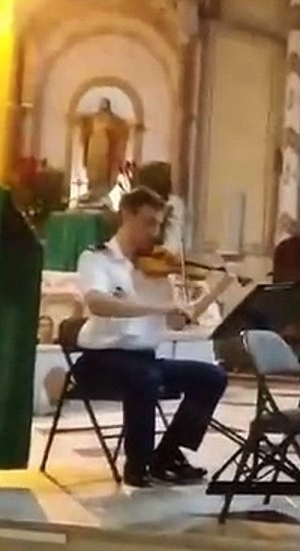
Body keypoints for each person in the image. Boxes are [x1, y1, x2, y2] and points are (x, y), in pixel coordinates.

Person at [74, 187, 231, 488]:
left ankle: (168, 456)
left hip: (144, 359)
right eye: (148, 222)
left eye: (158, 224)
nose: (154, 232)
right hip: (101, 360)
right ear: (127, 215)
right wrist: (155, 306)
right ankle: (138, 465)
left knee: (212, 376)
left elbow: (178, 319)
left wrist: (216, 290)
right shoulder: (98, 259)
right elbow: (98, 303)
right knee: (143, 377)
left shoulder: (157, 268)